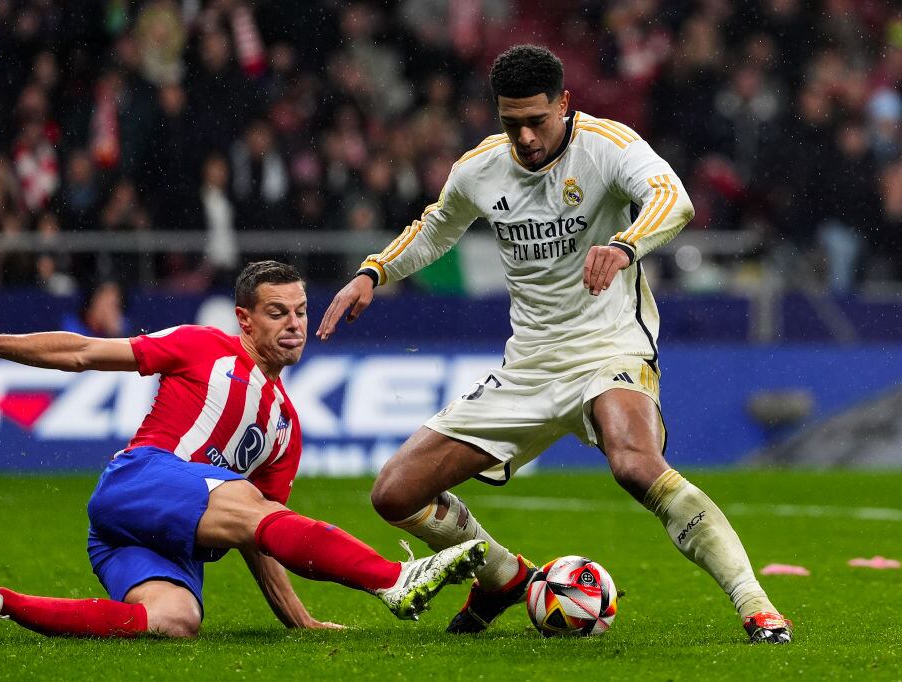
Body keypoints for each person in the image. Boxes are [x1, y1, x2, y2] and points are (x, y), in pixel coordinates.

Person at [317, 45, 792, 645]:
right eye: (509, 122)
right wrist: (373, 272)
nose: (524, 136)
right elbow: (438, 225)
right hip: (529, 368)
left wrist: (624, 245)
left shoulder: (608, 146)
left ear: (564, 104)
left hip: (608, 350)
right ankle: (504, 577)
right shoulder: (481, 168)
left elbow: (674, 199)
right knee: (394, 493)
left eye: (536, 121)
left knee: (635, 464)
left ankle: (756, 606)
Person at [0, 260, 487, 638]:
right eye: (276, 312)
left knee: (175, 621)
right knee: (248, 502)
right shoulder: (201, 346)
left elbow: (262, 535)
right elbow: (84, 353)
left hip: (159, 540)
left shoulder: (286, 427)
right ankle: (392, 578)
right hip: (137, 482)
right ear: (243, 318)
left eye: (300, 312)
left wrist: (300, 620)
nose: (294, 325)